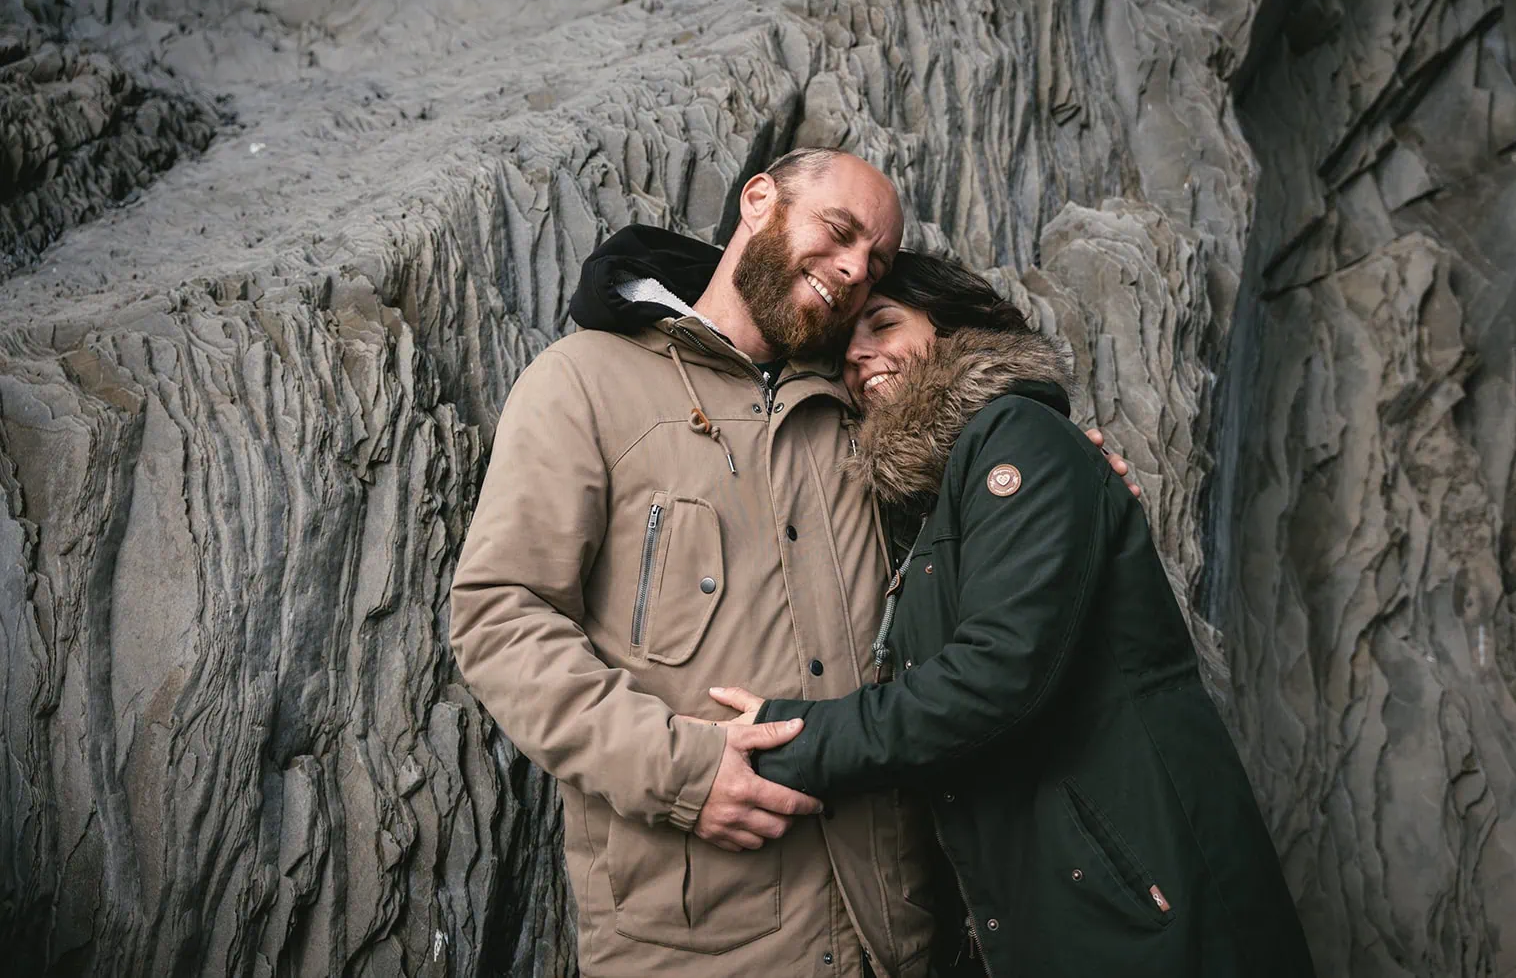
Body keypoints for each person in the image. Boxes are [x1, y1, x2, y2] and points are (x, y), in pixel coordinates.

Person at [705, 251, 1318, 977]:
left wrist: (787, 740)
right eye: (844, 345)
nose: (859, 355)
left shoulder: (1017, 436)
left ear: (958, 329)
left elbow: (996, 675)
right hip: (1071, 898)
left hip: (1146, 897)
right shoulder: (937, 504)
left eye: (884, 323)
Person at [452, 148, 932, 978]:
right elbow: (500, 617)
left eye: (877, 263)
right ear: (759, 199)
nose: (856, 269)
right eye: (840, 230)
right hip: (701, 942)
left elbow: (973, 523)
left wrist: (1058, 467)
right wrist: (681, 772)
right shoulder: (582, 384)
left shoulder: (861, 406)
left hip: (889, 930)